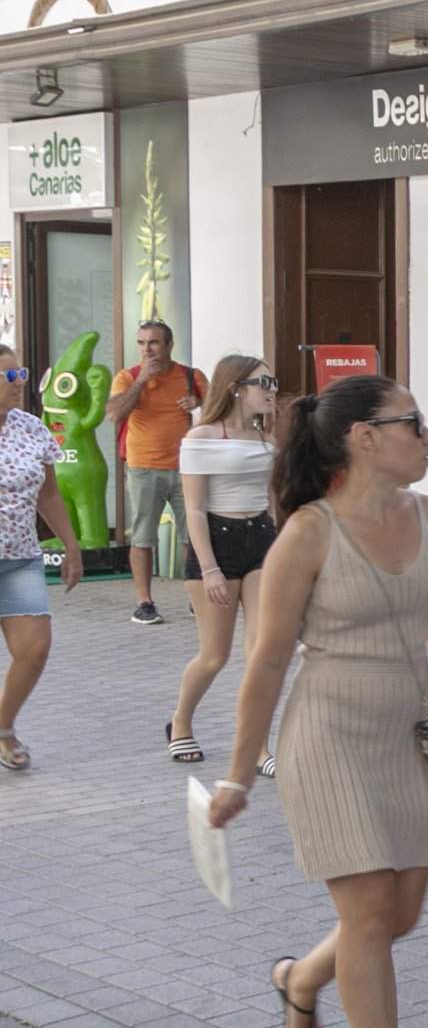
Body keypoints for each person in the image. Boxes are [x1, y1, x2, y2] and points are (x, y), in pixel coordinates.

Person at [203, 375, 428, 1028]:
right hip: (328, 737)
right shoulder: (309, 533)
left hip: (412, 735)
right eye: (414, 423)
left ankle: (301, 979)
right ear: (363, 438)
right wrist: (234, 773)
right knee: (366, 915)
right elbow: (264, 663)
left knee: (399, 917)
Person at [166, 356, 279, 769]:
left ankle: (258, 747)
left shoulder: (266, 437)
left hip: (261, 540)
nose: (271, 389)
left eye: (273, 381)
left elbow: (271, 499)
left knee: (262, 651)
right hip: (215, 541)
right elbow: (194, 510)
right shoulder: (202, 436)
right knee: (215, 654)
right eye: (262, 382)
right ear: (235, 387)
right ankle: (181, 722)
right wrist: (210, 568)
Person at [0, 345, 83, 771]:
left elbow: (49, 494)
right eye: (9, 377)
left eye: (22, 374)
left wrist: (71, 545)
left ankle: (4, 727)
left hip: (19, 559)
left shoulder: (31, 428)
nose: (20, 384)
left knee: (34, 650)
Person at [105, 320, 203, 625]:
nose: (147, 350)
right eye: (142, 343)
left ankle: (195, 597)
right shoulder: (127, 377)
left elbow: (219, 412)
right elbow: (114, 414)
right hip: (144, 468)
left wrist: (198, 404)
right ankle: (145, 602)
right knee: (143, 537)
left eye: (154, 343)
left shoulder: (191, 376)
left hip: (187, 468)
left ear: (170, 345)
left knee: (194, 537)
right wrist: (141, 381)